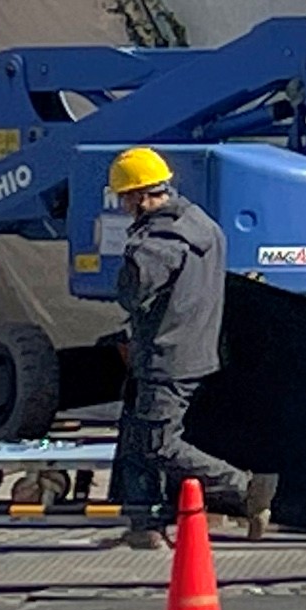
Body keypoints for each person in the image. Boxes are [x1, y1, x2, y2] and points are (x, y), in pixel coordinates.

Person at [105, 147, 275, 548]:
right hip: (197, 351)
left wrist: (129, 257)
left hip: (166, 356)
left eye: (125, 198)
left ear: (138, 196)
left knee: (158, 442)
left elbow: (130, 293)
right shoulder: (202, 223)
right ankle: (144, 525)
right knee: (137, 436)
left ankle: (244, 488)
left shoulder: (157, 242)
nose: (125, 207)